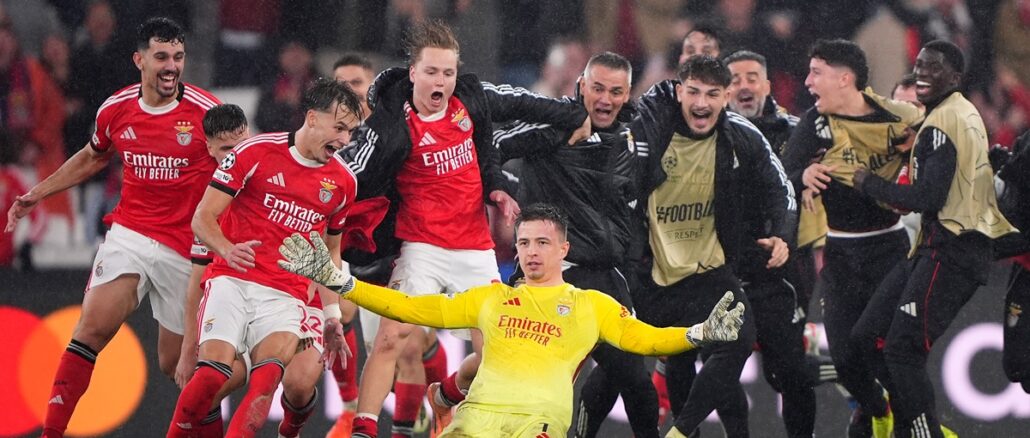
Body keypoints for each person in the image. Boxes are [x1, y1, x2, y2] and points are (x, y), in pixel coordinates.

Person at [277, 203, 746, 438]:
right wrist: (341, 283)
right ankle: (446, 402)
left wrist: (698, 334)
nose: (532, 252)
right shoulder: (491, 299)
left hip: (537, 424)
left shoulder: (590, 304)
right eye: (524, 243)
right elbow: (410, 307)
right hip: (476, 421)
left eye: (542, 243)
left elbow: (643, 339)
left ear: (564, 249)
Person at [342, 20, 590, 438]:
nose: (442, 81)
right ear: (413, 72)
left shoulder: (470, 99)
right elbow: (349, 175)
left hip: (475, 247)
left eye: (449, 72)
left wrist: (576, 115)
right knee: (390, 340)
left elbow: (528, 104)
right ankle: (363, 429)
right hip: (419, 246)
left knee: (501, 352)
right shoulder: (389, 125)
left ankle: (449, 394)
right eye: (433, 72)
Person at [4, 17, 221, 438]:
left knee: (178, 365)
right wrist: (39, 193)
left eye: (178, 57)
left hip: (188, 249)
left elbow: (241, 171)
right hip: (132, 233)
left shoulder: (206, 112)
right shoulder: (116, 109)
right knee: (93, 326)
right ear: (140, 60)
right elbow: (92, 156)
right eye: (161, 57)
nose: (171, 66)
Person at [167, 78, 361, 436]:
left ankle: (290, 429)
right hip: (232, 280)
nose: (345, 140)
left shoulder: (343, 183)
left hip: (286, 294)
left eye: (351, 131)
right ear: (313, 118)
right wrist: (227, 248)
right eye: (340, 128)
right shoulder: (254, 153)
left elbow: (330, 251)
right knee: (211, 377)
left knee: (269, 379)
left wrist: (332, 314)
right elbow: (201, 218)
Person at [850, 40, 1016, 438]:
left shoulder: (942, 123)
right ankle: (906, 421)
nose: (922, 72)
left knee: (900, 352)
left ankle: (923, 432)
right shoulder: (956, 113)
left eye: (934, 67)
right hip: (934, 248)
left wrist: (867, 182)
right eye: (919, 65)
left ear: (956, 77)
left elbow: (927, 198)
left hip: (950, 250)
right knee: (865, 340)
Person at [494, 52, 658, 438]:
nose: (605, 99)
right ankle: (453, 396)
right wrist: (496, 186)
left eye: (615, 91)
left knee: (634, 379)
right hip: (549, 275)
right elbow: (495, 141)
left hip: (605, 276)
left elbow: (633, 200)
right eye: (597, 88)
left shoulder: (634, 135)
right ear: (581, 85)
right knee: (532, 391)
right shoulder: (554, 122)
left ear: (627, 93)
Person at [631, 54, 796, 438]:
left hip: (711, 271)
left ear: (726, 97)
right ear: (679, 92)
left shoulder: (740, 133)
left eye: (712, 94)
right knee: (660, 366)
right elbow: (617, 177)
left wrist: (784, 234)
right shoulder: (650, 129)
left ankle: (681, 432)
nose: (702, 103)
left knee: (738, 341)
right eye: (693, 92)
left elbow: (781, 188)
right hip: (655, 274)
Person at [780, 39, 922, 438]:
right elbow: (784, 172)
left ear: (845, 79)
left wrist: (917, 151)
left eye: (816, 73)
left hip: (889, 250)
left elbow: (943, 142)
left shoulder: (894, 117)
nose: (807, 81)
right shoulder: (816, 123)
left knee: (884, 351)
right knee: (843, 359)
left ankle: (917, 425)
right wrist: (802, 176)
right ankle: (879, 411)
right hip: (840, 253)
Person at [723, 49, 831, 438]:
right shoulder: (708, 134)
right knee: (718, 371)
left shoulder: (796, 131)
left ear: (768, 85)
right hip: (726, 268)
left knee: (792, 373)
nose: (744, 86)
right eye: (734, 79)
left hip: (783, 270)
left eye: (752, 77)